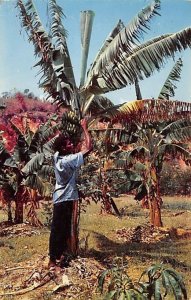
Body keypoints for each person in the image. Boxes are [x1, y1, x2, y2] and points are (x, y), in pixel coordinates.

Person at [48, 118, 92, 269]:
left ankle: (58, 258)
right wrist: (84, 128)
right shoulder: (69, 160)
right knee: (60, 231)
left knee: (59, 229)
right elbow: (89, 148)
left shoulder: (56, 158)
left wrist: (60, 135)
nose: (72, 144)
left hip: (59, 198)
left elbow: (57, 145)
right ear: (63, 148)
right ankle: (53, 261)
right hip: (65, 199)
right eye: (68, 144)